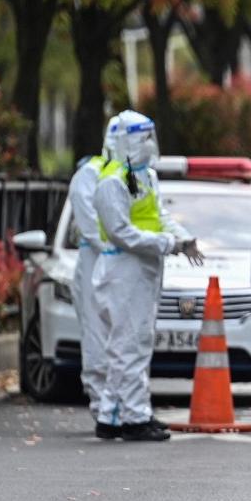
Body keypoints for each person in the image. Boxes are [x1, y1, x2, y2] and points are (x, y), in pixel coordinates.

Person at [92, 111, 203, 441]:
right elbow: (121, 233)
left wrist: (182, 238)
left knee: (132, 343)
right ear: (125, 140)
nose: (150, 144)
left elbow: (160, 217)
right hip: (123, 270)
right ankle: (134, 417)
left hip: (144, 269)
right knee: (129, 345)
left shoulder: (146, 177)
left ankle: (111, 415)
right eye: (143, 138)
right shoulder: (112, 182)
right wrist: (170, 243)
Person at [66, 117, 120, 424]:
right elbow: (90, 224)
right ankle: (103, 406)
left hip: (121, 263)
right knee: (97, 332)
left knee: (122, 334)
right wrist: (119, 247)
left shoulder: (132, 176)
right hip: (97, 260)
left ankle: (121, 404)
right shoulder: (90, 174)